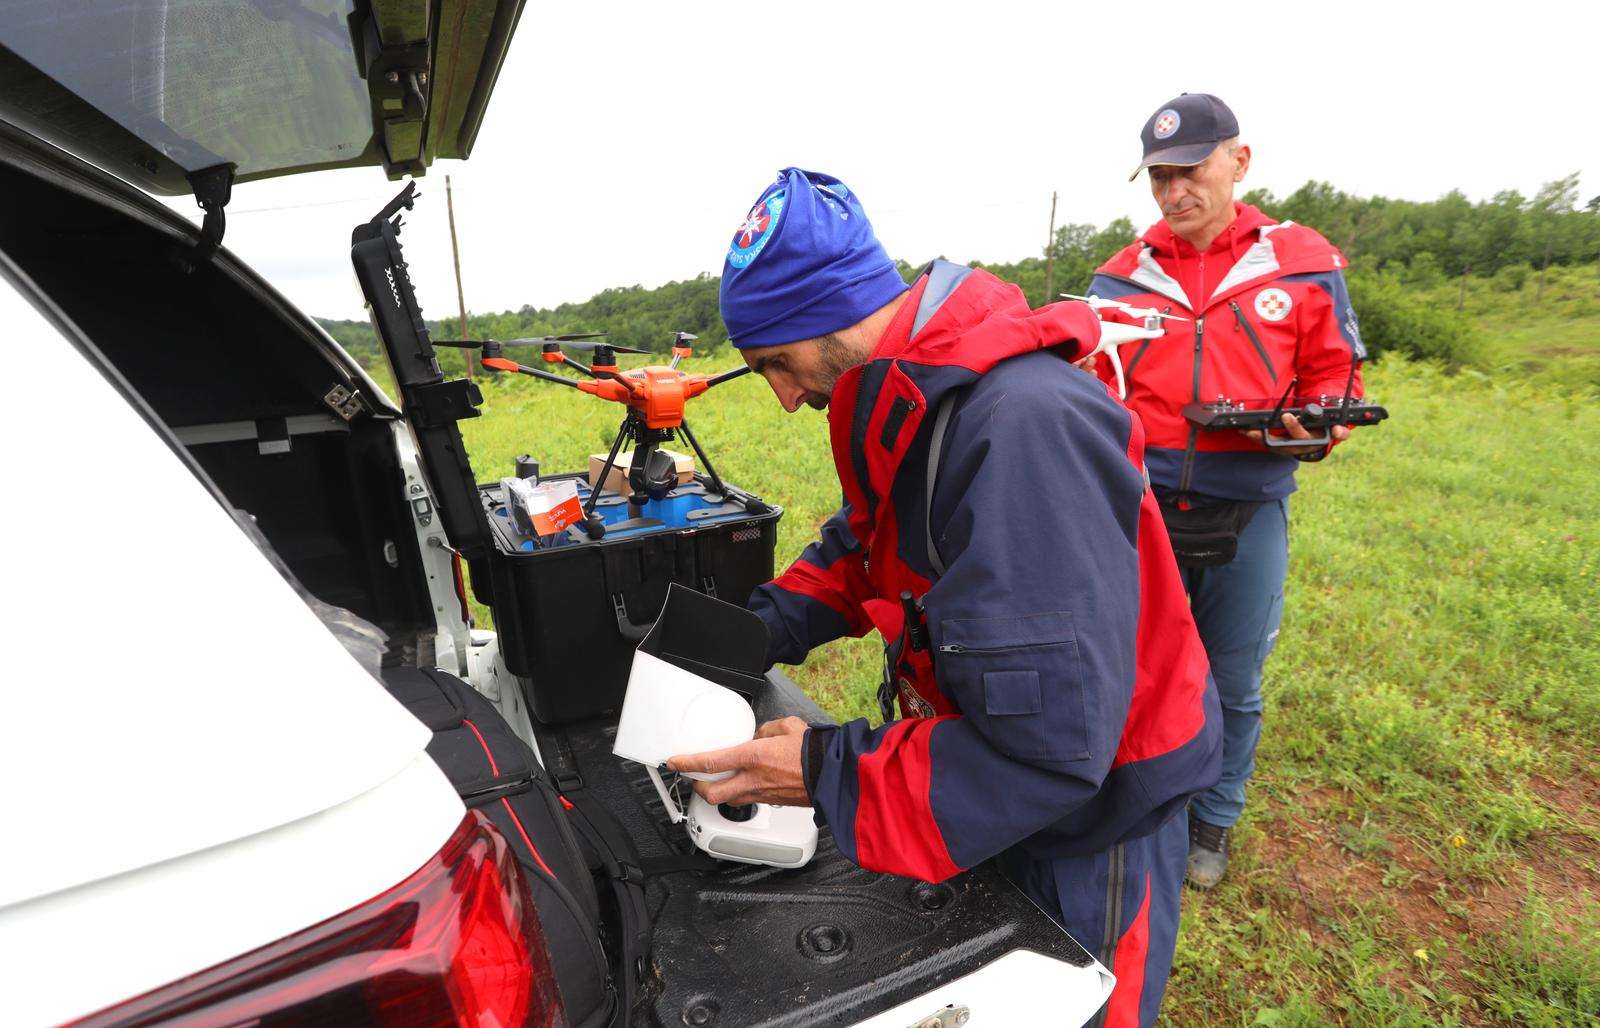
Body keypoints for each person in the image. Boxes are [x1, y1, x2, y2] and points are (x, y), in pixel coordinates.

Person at [666, 167, 1221, 1028]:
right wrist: (754, 628)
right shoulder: (910, 399)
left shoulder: (1021, 429)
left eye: (778, 362)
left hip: (1096, 814)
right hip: (1000, 779)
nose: (782, 397)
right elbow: (865, 546)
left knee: (1070, 1008)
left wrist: (820, 768)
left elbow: (1053, 752)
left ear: (836, 315)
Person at [1084, 93, 1367, 888]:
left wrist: (1319, 423)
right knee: (1131, 664)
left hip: (1249, 506)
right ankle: (1134, 799)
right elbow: (1087, 384)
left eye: (1192, 171)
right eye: (1161, 177)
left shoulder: (1303, 261)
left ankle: (1214, 820)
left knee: (1232, 679)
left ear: (1238, 163)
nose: (1176, 191)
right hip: (1138, 506)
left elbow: (1337, 375)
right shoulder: (1118, 276)